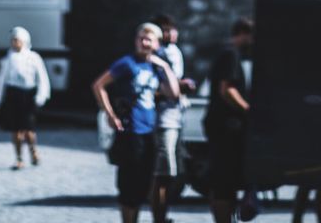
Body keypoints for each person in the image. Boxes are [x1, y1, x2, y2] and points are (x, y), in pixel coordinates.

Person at [92, 21, 181, 223]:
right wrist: (110, 113)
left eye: (149, 39)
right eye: (141, 38)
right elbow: (99, 85)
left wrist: (165, 66)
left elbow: (173, 94)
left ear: (157, 44)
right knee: (129, 185)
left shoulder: (156, 66)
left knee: (144, 184)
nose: (144, 43)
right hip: (130, 130)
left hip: (149, 131)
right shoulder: (127, 63)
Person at [204, 16, 254, 223]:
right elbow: (227, 90)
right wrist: (248, 110)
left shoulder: (229, 54)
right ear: (243, 34)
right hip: (225, 128)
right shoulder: (230, 55)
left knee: (226, 182)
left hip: (224, 127)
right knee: (224, 183)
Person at [151, 13, 195, 223]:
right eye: (166, 30)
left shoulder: (174, 51)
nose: (172, 33)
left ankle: (163, 215)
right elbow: (154, 88)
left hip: (176, 116)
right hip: (163, 118)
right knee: (163, 173)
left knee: (173, 173)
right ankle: (159, 217)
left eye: (173, 29)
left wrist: (182, 85)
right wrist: (176, 88)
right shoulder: (155, 54)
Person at [0, 26, 51, 169]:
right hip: (13, 95)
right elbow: (1, 80)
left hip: (28, 95)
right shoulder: (8, 59)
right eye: (12, 40)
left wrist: (41, 96)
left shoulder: (34, 57)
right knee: (16, 129)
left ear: (24, 41)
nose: (14, 43)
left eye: (17, 40)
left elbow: (42, 78)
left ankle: (33, 151)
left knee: (28, 129)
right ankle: (19, 158)